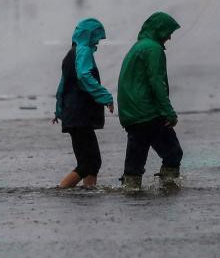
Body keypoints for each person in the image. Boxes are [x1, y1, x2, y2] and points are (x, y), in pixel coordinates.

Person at [117, 11, 183, 192]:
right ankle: (168, 189)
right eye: (168, 32)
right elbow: (157, 83)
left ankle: (131, 193)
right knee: (173, 153)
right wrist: (169, 113)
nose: (169, 37)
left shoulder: (138, 47)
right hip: (149, 112)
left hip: (131, 114)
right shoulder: (153, 49)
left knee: (134, 164)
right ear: (160, 31)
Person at [52, 18, 114, 189]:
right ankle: (61, 191)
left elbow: (62, 85)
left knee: (92, 162)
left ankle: (90, 192)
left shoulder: (70, 53)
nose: (98, 42)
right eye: (97, 37)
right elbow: (84, 76)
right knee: (88, 163)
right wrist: (106, 97)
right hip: (80, 116)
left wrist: (59, 110)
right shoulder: (83, 51)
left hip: (73, 116)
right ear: (89, 35)